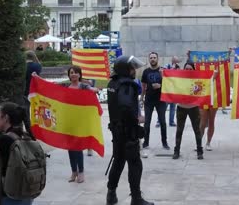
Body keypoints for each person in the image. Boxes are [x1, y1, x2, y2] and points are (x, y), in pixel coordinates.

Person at [106, 55, 154, 205]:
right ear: (125, 69)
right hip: (127, 132)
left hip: (117, 130)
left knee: (118, 162)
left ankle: (111, 194)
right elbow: (126, 106)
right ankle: (136, 198)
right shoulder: (127, 85)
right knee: (135, 164)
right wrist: (137, 120)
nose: (134, 70)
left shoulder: (113, 83)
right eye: (132, 68)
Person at [64, 66, 99, 183]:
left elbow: (91, 89)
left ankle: (81, 171)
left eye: (76, 73)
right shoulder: (65, 87)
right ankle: (74, 171)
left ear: (79, 75)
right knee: (70, 148)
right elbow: (50, 88)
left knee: (77, 147)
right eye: (71, 73)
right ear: (69, 75)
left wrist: (93, 89)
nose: (73, 74)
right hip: (68, 121)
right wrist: (37, 78)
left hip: (80, 121)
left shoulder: (83, 86)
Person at [172, 61, 204, 160]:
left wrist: (214, 75)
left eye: (190, 69)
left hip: (193, 108)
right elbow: (170, 82)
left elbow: (207, 83)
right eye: (187, 69)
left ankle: (200, 151)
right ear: (184, 69)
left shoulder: (198, 79)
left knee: (197, 130)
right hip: (181, 108)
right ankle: (176, 151)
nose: (188, 71)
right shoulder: (179, 79)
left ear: (194, 70)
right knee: (179, 130)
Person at [141, 52, 170, 151]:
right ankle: (146, 142)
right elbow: (143, 86)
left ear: (158, 59)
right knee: (147, 123)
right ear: (149, 59)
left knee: (162, 122)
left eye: (154, 58)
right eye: (151, 58)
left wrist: (160, 85)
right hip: (148, 100)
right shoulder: (145, 72)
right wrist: (141, 98)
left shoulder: (162, 70)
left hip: (161, 100)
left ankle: (164, 143)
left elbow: (169, 84)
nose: (153, 59)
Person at [157, 56, 181, 127]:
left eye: (177, 61)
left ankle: (171, 122)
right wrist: (172, 69)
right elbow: (162, 73)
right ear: (172, 60)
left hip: (174, 90)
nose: (176, 62)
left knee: (173, 108)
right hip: (167, 90)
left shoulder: (178, 68)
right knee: (163, 107)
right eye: (175, 61)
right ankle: (159, 121)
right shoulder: (167, 66)